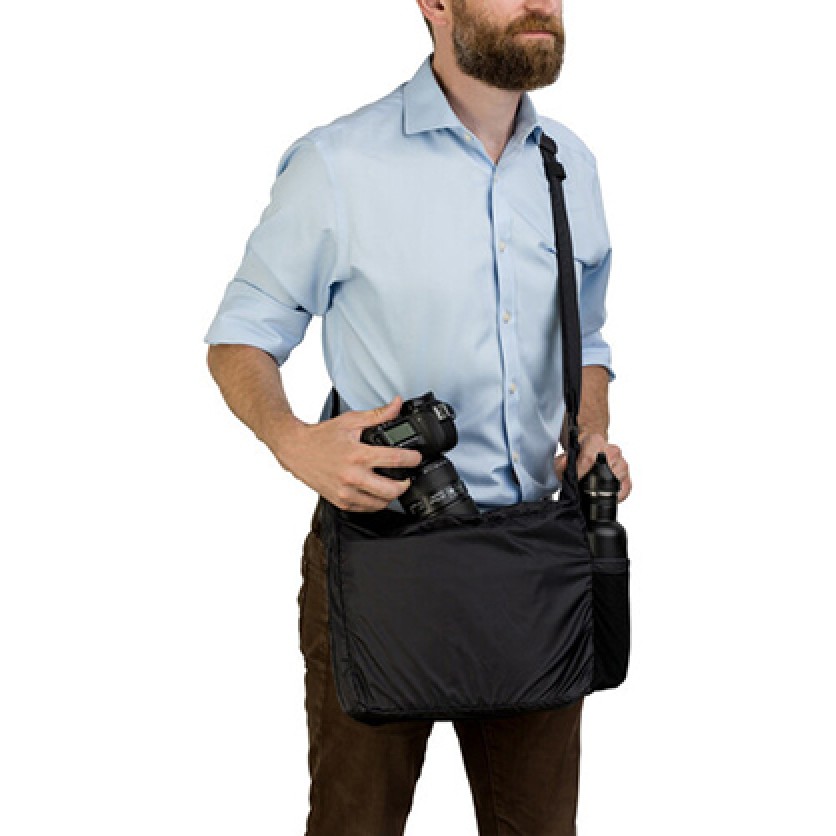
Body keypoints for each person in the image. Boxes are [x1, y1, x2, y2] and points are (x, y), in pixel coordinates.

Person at [205, 0, 632, 833]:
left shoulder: (568, 164)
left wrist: (589, 432)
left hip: (531, 564)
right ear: (435, 3)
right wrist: (294, 441)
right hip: (383, 560)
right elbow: (241, 336)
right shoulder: (338, 163)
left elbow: (588, 335)